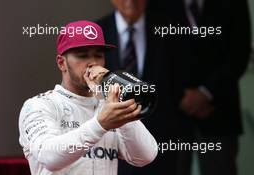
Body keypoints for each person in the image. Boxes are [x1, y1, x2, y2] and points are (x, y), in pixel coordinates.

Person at [18, 20, 158, 175]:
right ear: (61, 63)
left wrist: (118, 106)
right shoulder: (40, 105)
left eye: (99, 55)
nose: (93, 62)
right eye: (82, 56)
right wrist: (100, 124)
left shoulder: (108, 105)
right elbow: (49, 157)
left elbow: (145, 156)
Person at [150, 0, 251, 175]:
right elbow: (154, 55)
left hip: (219, 111)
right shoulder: (156, 4)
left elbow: (239, 53)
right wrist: (179, 97)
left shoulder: (235, 3)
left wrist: (206, 93)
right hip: (172, 116)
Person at [97, 0, 179, 175]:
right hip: (110, 149)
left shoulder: (170, 30)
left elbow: (180, 83)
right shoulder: (95, 32)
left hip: (161, 147)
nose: (130, 0)